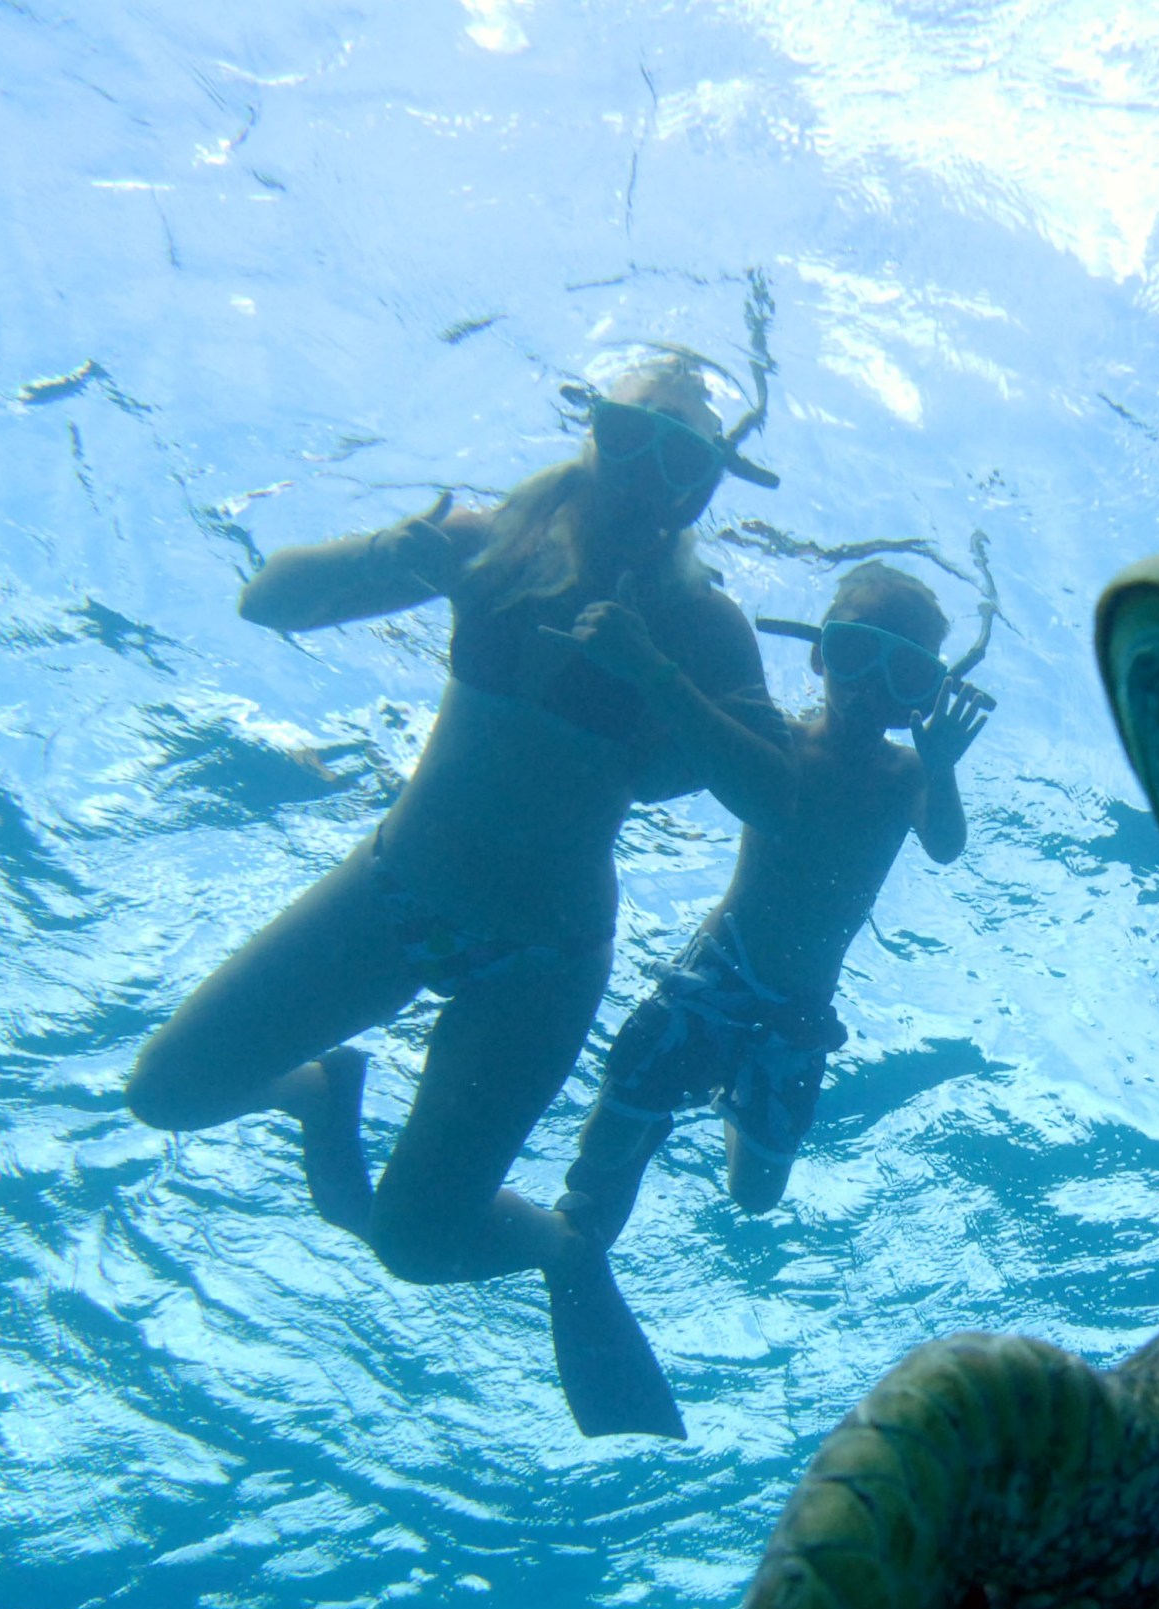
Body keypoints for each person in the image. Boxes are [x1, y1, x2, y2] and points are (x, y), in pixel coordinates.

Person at [124, 356, 784, 1437]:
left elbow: (774, 795)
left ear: (712, 480)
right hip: (393, 891)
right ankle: (311, 1089)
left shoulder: (705, 625)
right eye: (634, 437)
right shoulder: (492, 544)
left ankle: (564, 1247)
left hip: (542, 956)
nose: (655, 476)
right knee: (166, 1091)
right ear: (593, 432)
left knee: (418, 1245)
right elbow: (267, 599)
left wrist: (663, 679)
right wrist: (403, 550)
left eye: (687, 457)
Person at [536, 560, 993, 1370]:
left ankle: (705, 1100)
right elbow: (687, 745)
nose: (870, 686)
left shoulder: (910, 773)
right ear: (819, 655)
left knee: (753, 1200)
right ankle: (585, 1232)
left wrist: (945, 765)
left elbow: (947, 846)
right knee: (609, 1148)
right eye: (854, 653)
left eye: (906, 671)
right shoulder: (777, 739)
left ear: (925, 693)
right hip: (715, 976)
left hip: (798, 1014)